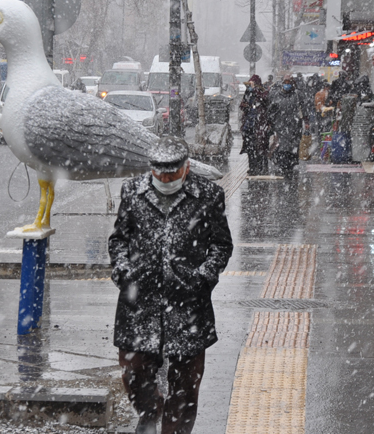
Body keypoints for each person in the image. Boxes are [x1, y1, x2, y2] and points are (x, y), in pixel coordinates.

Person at [109, 136, 234, 434]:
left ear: (186, 167)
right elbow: (119, 240)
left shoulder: (208, 195)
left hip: (189, 303)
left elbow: (221, 245)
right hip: (139, 301)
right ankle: (149, 411)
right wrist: (123, 272)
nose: (165, 179)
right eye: (159, 173)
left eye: (172, 173)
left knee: (186, 385)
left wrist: (204, 277)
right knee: (134, 371)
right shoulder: (133, 192)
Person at [268, 76, 303, 172]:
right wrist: (271, 121)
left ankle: (292, 163)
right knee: (282, 145)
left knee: (293, 145)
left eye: (289, 83)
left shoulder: (297, 95)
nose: (287, 85)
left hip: (294, 125)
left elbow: (303, 108)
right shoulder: (276, 95)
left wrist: (304, 120)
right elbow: (271, 109)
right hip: (281, 125)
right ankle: (282, 163)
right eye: (285, 83)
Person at [239, 75, 272, 175]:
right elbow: (242, 104)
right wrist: (245, 106)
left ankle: (262, 167)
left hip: (260, 124)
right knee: (250, 148)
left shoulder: (263, 92)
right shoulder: (248, 93)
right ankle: (252, 167)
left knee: (261, 147)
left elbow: (265, 101)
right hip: (249, 124)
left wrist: (256, 91)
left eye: (252, 84)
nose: (250, 87)